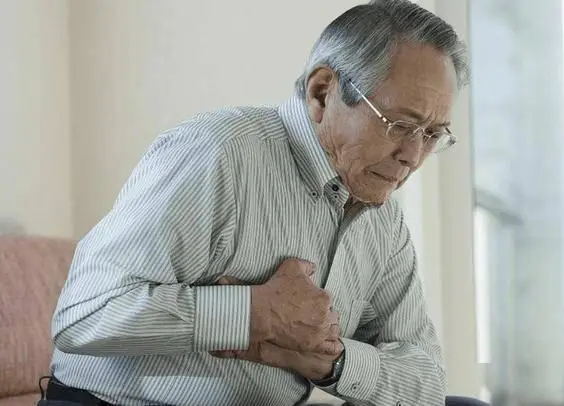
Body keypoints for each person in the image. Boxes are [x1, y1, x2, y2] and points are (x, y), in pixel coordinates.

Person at [43, 0, 476, 405]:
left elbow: (425, 380)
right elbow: (84, 315)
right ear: (322, 93)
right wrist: (254, 314)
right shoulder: (217, 153)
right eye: (399, 124)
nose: (413, 156)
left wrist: (331, 361)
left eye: (432, 135)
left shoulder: (383, 214)